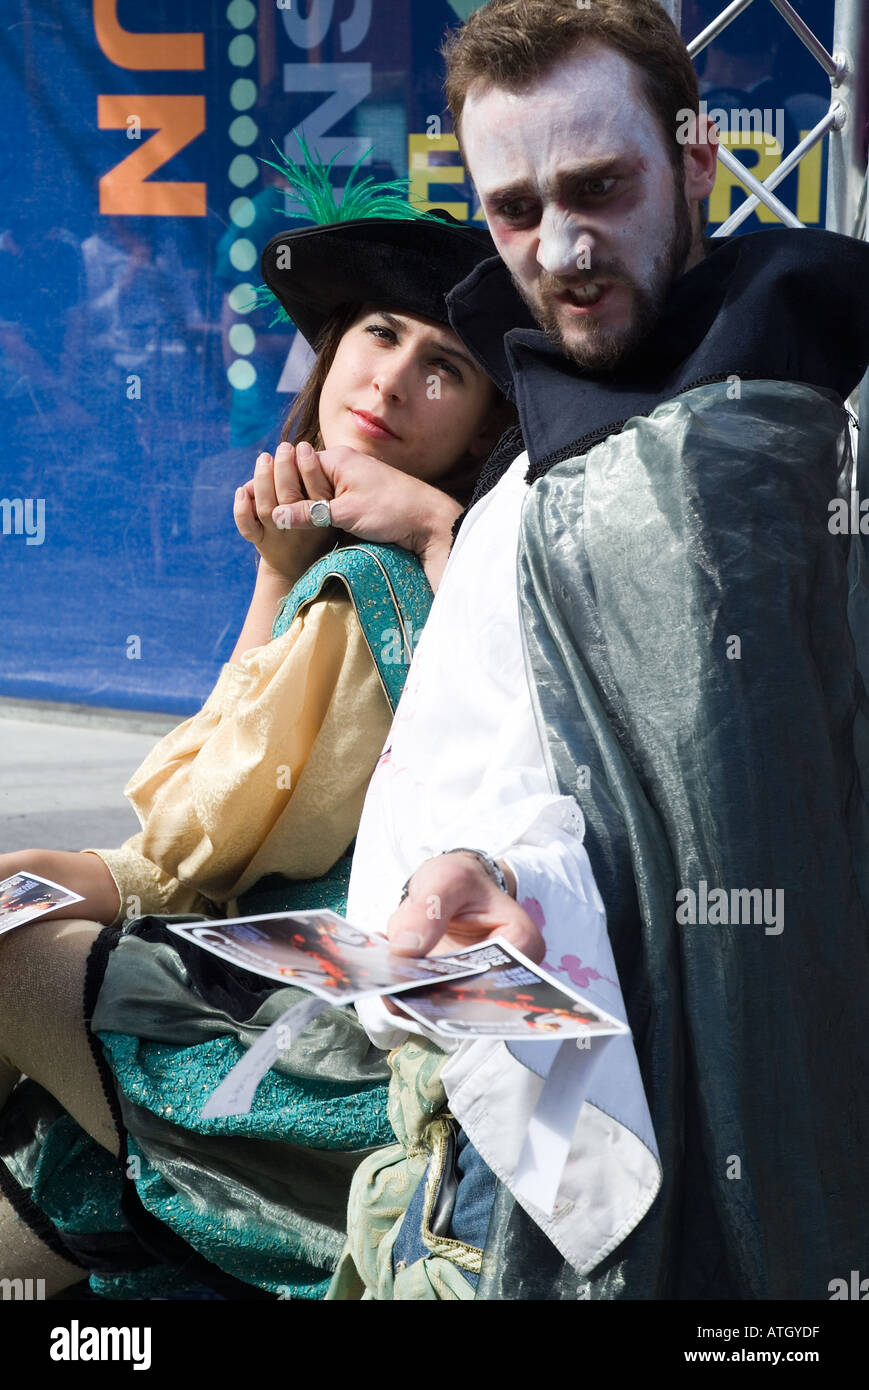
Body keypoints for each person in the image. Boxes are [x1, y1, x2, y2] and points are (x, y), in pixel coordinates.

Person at [323, 0, 869, 1300]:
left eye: (599, 186)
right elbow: (493, 804)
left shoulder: (838, 406)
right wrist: (491, 880)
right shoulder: (520, 502)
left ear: (694, 163)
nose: (561, 248)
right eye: (514, 209)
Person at [0, 167, 513, 1299]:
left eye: (447, 367)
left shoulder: (372, 582)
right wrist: (271, 575)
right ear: (330, 348)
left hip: (315, 1063)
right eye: (378, 332)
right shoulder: (410, 565)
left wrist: (83, 877)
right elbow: (219, 804)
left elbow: (193, 844)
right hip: (356, 1037)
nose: (391, 377)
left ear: (483, 426)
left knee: (8, 951)